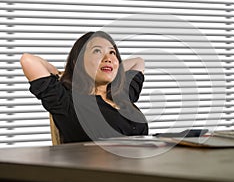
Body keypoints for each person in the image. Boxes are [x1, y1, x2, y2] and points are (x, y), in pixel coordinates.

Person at [20, 31, 148, 143]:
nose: (108, 58)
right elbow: (28, 60)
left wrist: (114, 69)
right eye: (97, 51)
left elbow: (138, 62)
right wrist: (68, 72)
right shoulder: (66, 102)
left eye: (112, 52)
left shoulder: (121, 94)